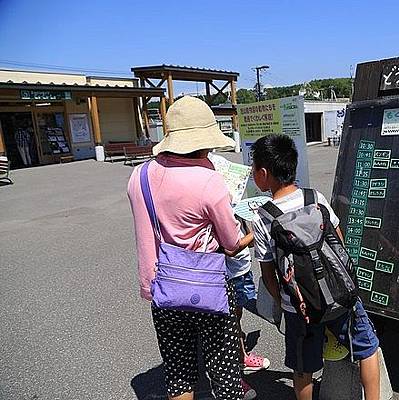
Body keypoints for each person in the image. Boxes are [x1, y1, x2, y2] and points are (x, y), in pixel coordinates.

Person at [127, 96, 256, 400]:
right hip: (207, 287)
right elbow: (231, 245)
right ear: (203, 141)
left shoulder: (139, 175)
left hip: (163, 288)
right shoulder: (209, 180)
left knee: (180, 376)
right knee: (224, 374)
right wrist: (251, 233)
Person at [250, 134, 381, 400]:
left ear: (264, 173)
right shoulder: (315, 197)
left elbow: (268, 275)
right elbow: (338, 242)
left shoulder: (263, 217)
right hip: (341, 294)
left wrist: (284, 302)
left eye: (254, 168)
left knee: (303, 368)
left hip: (300, 307)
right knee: (367, 348)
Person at [226, 216, 271, 372]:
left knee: (238, 313)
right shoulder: (218, 205)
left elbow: (250, 242)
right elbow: (230, 248)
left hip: (242, 269)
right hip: (231, 274)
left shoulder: (236, 207)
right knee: (233, 317)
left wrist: (251, 220)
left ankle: (238, 348)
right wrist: (262, 225)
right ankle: (241, 358)